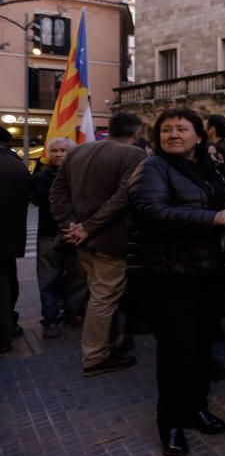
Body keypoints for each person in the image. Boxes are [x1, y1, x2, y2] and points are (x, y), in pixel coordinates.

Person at [127, 107, 225, 456]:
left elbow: (223, 205)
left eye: (181, 129)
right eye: (166, 130)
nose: (173, 135)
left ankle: (196, 409)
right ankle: (171, 423)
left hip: (205, 275)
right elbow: (153, 211)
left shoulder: (208, 169)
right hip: (166, 277)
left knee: (201, 348)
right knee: (176, 352)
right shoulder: (152, 168)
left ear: (197, 135)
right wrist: (213, 220)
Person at [50, 112, 146, 376]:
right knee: (103, 298)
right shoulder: (135, 155)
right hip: (109, 239)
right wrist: (84, 227)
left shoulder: (77, 152)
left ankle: (109, 342)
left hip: (83, 239)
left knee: (98, 294)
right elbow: (123, 197)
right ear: (137, 133)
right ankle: (95, 356)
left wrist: (71, 224)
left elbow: (57, 193)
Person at [31, 138, 87, 337]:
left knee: (78, 277)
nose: (58, 154)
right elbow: (42, 201)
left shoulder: (83, 177)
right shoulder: (40, 178)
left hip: (77, 235)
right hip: (48, 234)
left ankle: (73, 312)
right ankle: (50, 318)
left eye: (63, 150)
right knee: (48, 279)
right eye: (54, 150)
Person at [0, 126, 30, 353]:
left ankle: (3, 334)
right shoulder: (16, 164)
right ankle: (9, 325)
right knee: (9, 281)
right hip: (11, 237)